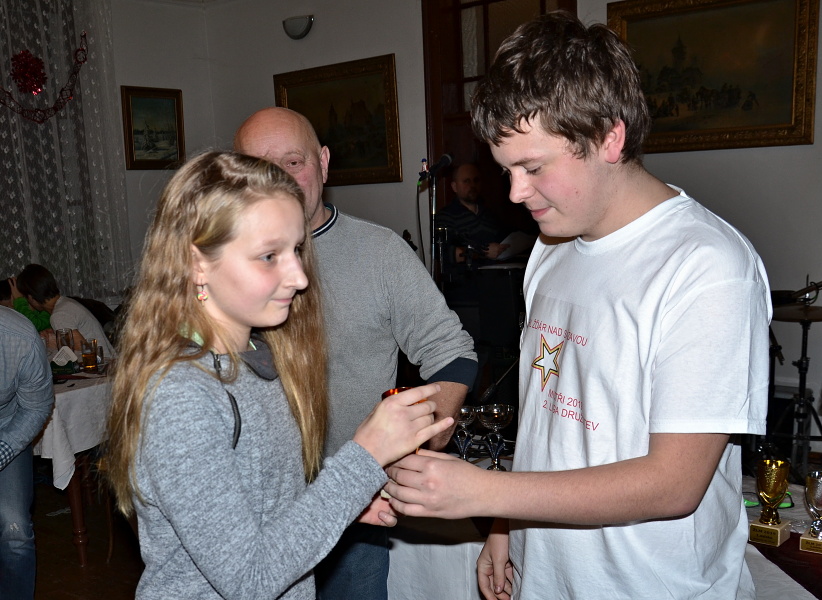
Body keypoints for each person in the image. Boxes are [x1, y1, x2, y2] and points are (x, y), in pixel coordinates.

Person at [385, 12, 771, 600]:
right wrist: (505, 524)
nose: (516, 192)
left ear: (609, 138)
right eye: (506, 170)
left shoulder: (707, 266)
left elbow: (674, 485)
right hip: (546, 574)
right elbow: (547, 417)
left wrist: (485, 492)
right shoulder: (551, 246)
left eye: (534, 167)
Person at [104, 151, 453, 599]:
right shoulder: (181, 396)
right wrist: (365, 457)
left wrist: (341, 506)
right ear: (197, 264)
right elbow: (249, 579)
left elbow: (262, 509)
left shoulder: (255, 356)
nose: (300, 278)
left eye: (296, 250)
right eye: (269, 255)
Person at [234, 107, 478, 600]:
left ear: (323, 163)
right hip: (250, 502)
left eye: (293, 162)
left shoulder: (379, 253)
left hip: (353, 502)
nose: (277, 180)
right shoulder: (222, 264)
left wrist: (420, 444)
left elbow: (451, 351)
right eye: (259, 167)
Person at [0, 305, 54, 599]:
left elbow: (36, 406)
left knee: (16, 530)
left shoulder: (19, 336)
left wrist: (3, 450)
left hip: (7, 431)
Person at [14, 265, 115, 358]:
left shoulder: (59, 315)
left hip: (103, 367)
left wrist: (55, 346)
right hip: (109, 362)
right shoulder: (66, 303)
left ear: (31, 297)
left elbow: (86, 355)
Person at [436, 162, 510, 266]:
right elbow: (443, 254)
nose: (472, 185)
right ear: (454, 186)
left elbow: (505, 241)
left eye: (476, 180)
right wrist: (483, 252)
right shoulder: (446, 216)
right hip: (465, 275)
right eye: (466, 181)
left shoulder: (490, 214)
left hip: (496, 272)